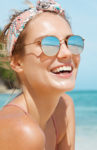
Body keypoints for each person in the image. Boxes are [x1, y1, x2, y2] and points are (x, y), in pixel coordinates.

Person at [0, 0, 84, 149]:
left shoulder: (64, 107)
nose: (67, 53)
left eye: (70, 42)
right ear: (18, 62)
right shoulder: (21, 131)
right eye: (48, 44)